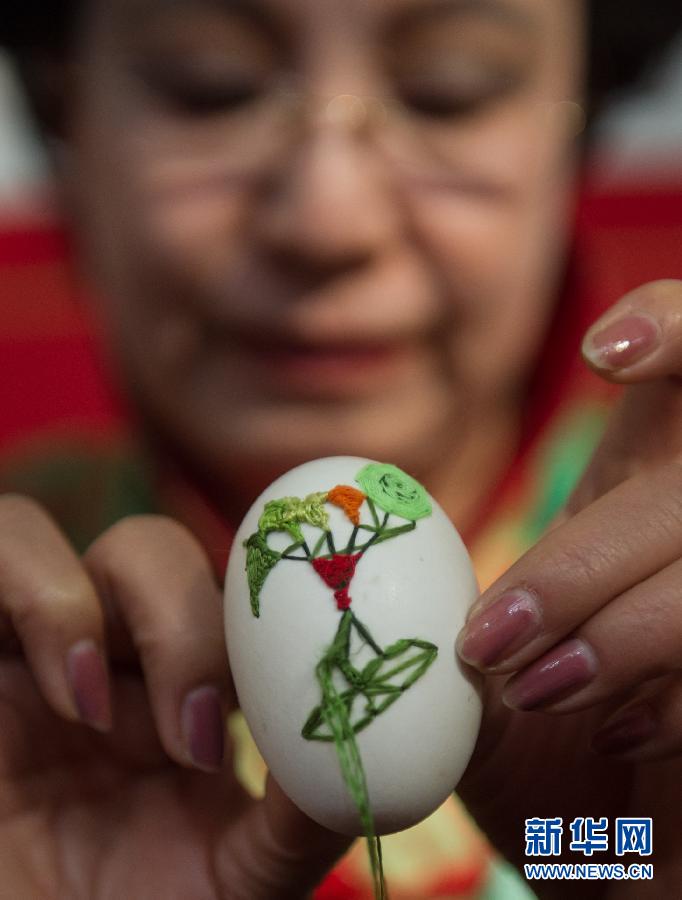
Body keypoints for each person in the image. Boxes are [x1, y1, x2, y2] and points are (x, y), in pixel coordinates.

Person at [1, 1, 681, 897]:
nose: (330, 221)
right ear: (65, 117)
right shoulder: (29, 678)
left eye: (449, 93)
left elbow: (598, 855)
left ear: (579, 122)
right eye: (211, 89)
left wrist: (629, 868)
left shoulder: (642, 667)